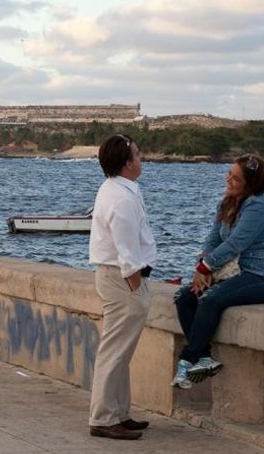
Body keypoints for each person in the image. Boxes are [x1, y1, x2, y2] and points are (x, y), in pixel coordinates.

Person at [171, 154, 264, 389]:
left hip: (263, 277)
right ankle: (204, 356)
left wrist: (205, 267)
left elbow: (235, 243)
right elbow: (213, 240)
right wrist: (203, 271)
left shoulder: (258, 206)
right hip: (233, 274)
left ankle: (186, 360)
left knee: (211, 299)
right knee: (184, 297)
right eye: (229, 175)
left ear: (250, 184)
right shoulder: (227, 203)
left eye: (235, 178)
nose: (228, 180)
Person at [86, 134, 155, 441]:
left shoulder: (116, 189)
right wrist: (135, 282)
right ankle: (103, 417)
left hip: (117, 276)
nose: (142, 159)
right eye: (138, 155)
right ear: (127, 163)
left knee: (119, 352)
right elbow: (125, 246)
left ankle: (118, 413)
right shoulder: (122, 197)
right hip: (122, 278)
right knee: (114, 352)